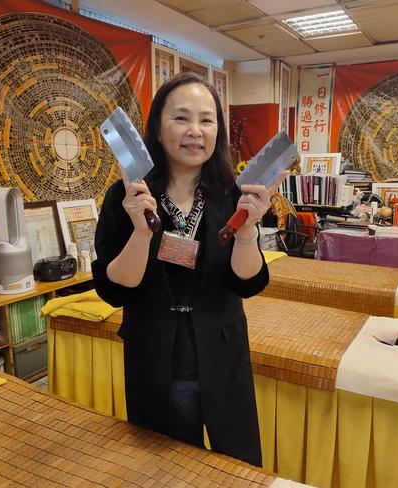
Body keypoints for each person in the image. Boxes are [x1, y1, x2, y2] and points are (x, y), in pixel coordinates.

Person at [92, 72, 286, 467]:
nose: (195, 131)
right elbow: (117, 289)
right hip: (155, 354)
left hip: (221, 350)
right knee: (163, 467)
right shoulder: (127, 196)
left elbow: (247, 282)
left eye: (207, 119)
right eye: (181, 118)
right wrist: (141, 232)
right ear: (157, 128)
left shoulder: (234, 193)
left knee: (236, 464)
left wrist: (247, 230)